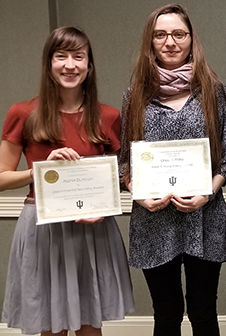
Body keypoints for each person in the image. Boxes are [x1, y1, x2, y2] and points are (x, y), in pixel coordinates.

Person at [0, 27, 134, 336]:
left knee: (90, 326)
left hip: (91, 228)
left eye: (78, 56)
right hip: (43, 230)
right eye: (61, 56)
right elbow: (3, 178)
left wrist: (107, 206)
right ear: (49, 64)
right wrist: (40, 171)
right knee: (51, 326)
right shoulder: (22, 113)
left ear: (89, 65)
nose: (70, 65)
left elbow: (121, 176)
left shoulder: (109, 116)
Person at [119, 3, 226, 336]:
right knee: (166, 314)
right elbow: (125, 162)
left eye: (179, 34)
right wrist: (139, 195)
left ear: (190, 39)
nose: (170, 42)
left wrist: (206, 194)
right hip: (153, 221)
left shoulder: (213, 92)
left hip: (204, 217)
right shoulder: (135, 96)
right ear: (150, 42)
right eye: (160, 35)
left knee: (203, 312)